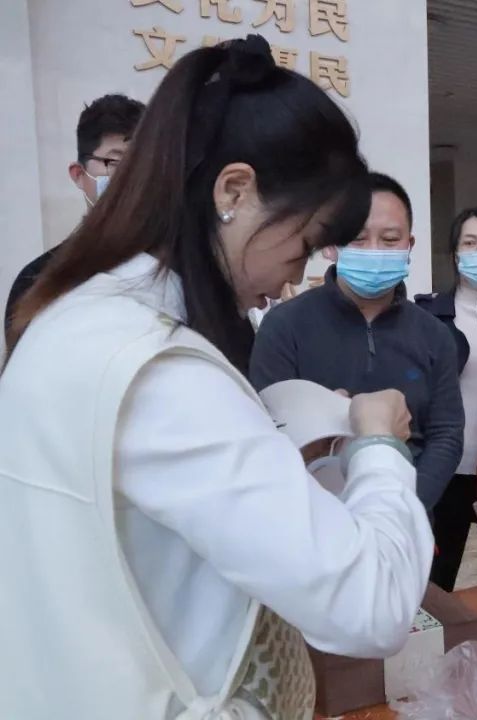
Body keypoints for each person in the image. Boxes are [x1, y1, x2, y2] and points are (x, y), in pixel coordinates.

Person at [0, 36, 433, 719]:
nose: (295, 277)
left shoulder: (71, 317)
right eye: (304, 242)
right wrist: (378, 446)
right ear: (234, 190)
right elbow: (371, 607)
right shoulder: (157, 369)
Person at [250, 173, 465, 514]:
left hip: (407, 516)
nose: (374, 251)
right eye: (358, 239)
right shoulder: (284, 326)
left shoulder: (434, 334)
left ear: (409, 245)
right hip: (310, 518)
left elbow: (446, 435)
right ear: (331, 245)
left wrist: (403, 509)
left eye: (390, 239)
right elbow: (265, 434)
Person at [415, 207, 477, 590]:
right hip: (445, 471)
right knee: (434, 585)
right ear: (455, 254)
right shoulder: (427, 317)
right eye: (470, 243)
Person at [4, 93, 145, 335]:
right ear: (79, 174)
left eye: (141, 163)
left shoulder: (177, 267)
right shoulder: (37, 280)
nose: (131, 177)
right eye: (115, 162)